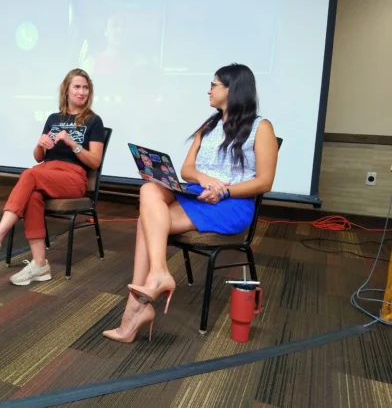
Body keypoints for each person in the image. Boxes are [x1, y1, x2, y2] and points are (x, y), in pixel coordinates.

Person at [103, 63, 279, 343]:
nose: (208, 90)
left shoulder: (261, 127)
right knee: (150, 188)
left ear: (232, 90)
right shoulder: (209, 125)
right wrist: (205, 178)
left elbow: (265, 182)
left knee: (144, 223)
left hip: (231, 204)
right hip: (197, 194)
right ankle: (157, 275)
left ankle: (135, 309)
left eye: (214, 85)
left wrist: (224, 191)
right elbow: (187, 170)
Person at [0, 68, 105, 285]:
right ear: (66, 90)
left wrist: (72, 143)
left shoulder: (93, 121)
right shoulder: (53, 118)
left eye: (85, 88)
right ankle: (40, 265)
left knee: (29, 175)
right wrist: (40, 144)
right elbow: (39, 157)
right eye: (77, 87)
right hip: (46, 170)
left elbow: (95, 161)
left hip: (73, 177)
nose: (82, 92)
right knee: (32, 196)